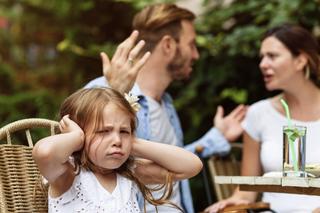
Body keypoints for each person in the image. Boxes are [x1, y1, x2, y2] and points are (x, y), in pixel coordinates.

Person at [85, 3, 247, 213]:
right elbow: (79, 162)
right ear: (168, 45)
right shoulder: (103, 91)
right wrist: (115, 93)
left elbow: (163, 165)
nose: (196, 55)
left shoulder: (166, 104)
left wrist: (215, 139)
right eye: (192, 45)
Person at [204, 24, 320, 213]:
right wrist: (234, 200)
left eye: (272, 56)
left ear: (300, 61)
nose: (263, 64)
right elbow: (248, 189)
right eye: (262, 57)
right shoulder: (259, 114)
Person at [32, 87, 203, 212]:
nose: (117, 140)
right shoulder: (68, 174)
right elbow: (44, 153)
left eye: (123, 131)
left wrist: (134, 144)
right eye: (103, 131)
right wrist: (77, 137)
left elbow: (192, 166)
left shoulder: (129, 173)